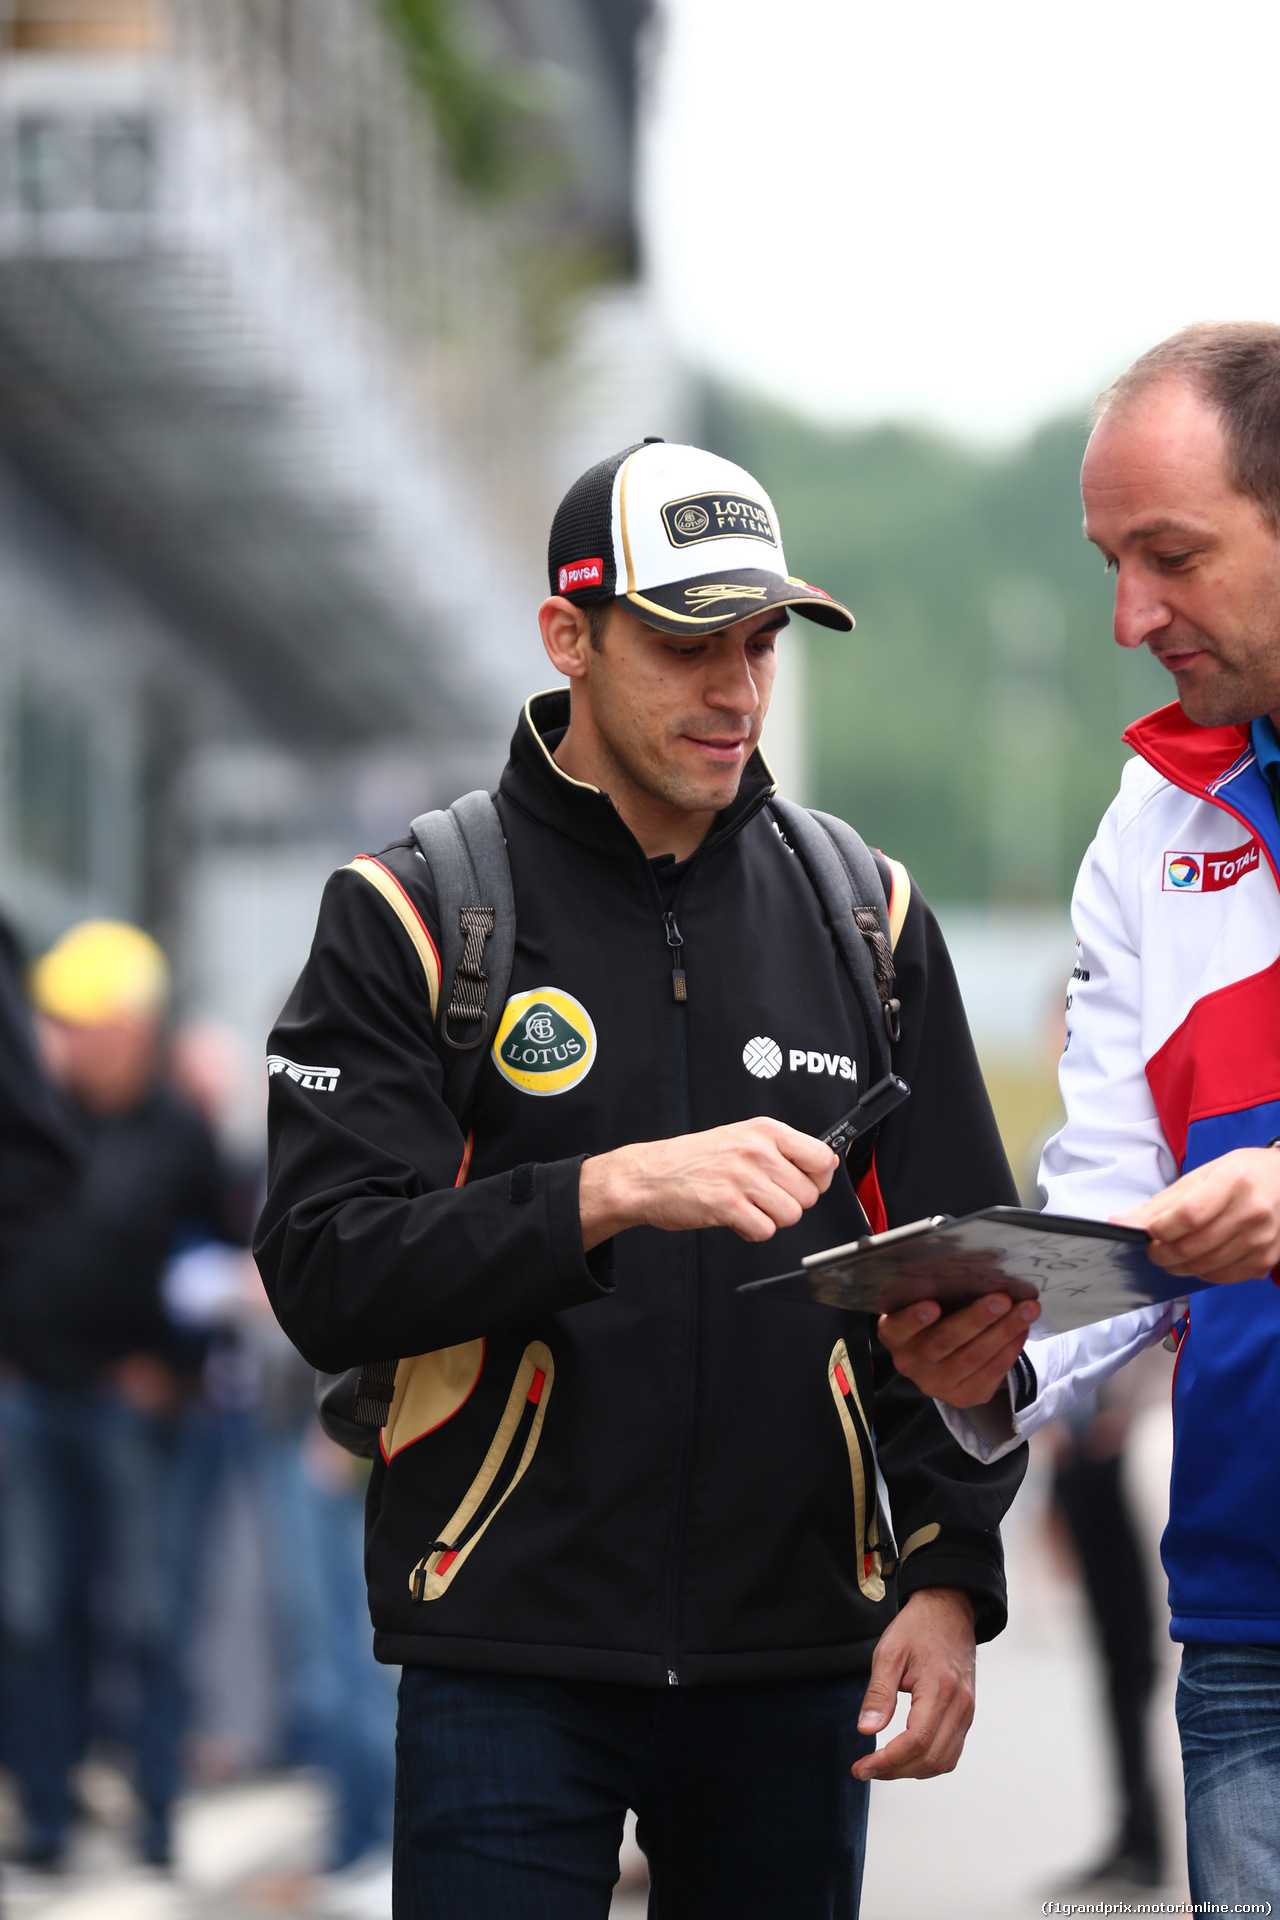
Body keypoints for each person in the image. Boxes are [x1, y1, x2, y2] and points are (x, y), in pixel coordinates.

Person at [256, 439, 1027, 1919]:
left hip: (799, 1660)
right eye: (687, 646)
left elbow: (957, 1289)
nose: (737, 689)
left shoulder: (868, 913)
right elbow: (324, 1270)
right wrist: (601, 1193)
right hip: (504, 1649)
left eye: (760, 643)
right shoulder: (412, 913)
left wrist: (946, 1578)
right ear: (569, 636)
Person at [878, 323, 1280, 1904]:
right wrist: (1001, 1353)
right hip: (1252, 1609)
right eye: (1114, 562)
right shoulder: (1149, 814)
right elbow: (1114, 1188)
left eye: (1170, 556)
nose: (1130, 618)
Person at [0, 920, 230, 1868]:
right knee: (29, 1616)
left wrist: (171, 1373)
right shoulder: (29, 1117)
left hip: (129, 1410)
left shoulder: (182, 1137)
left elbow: (222, 1264)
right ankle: (47, 1822)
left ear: (128, 1030)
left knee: (148, 1618)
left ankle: (159, 1819)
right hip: (31, 1399)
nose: (60, 1042)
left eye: (79, 1025)